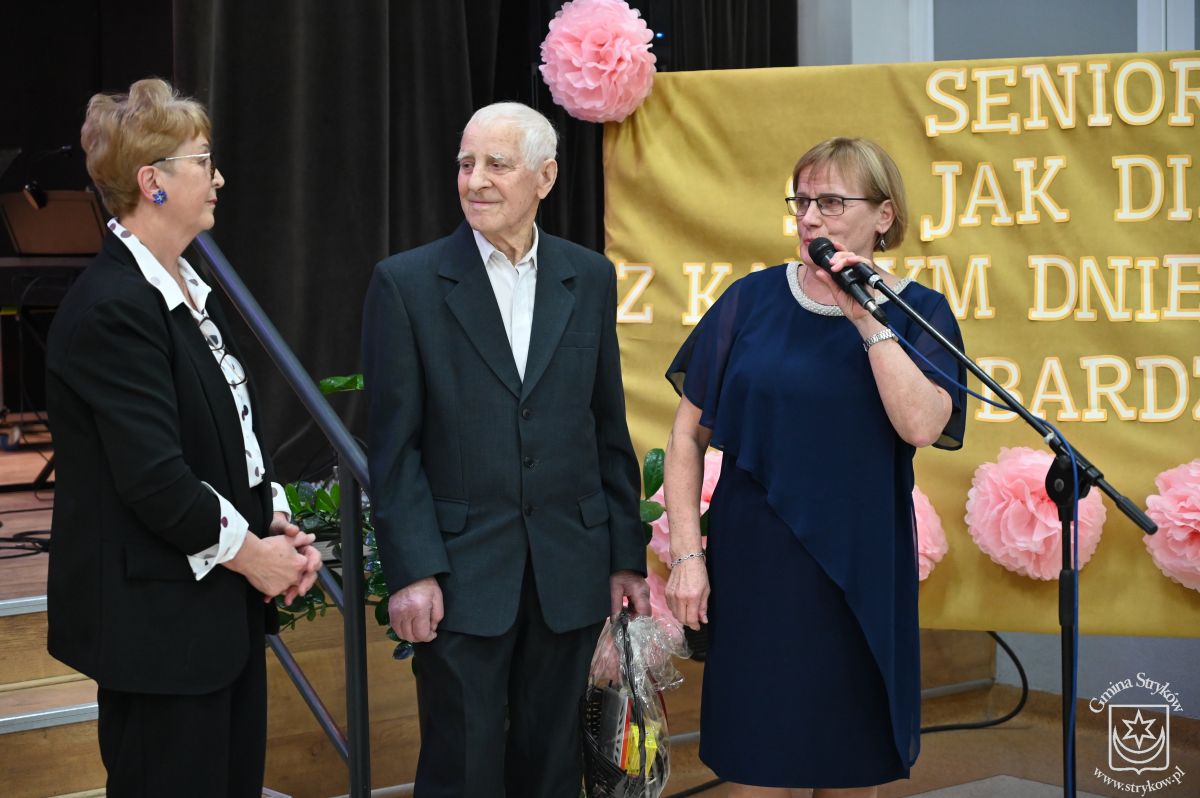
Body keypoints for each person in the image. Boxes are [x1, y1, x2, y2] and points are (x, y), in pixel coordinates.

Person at [663, 137, 967, 797]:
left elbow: (922, 425)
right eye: (801, 201)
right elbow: (687, 434)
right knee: (758, 765)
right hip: (757, 570)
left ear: (884, 215)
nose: (809, 218)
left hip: (861, 574)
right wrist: (687, 555)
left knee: (850, 763)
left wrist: (866, 318)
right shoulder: (750, 301)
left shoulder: (920, 312)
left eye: (830, 202)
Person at [362, 101, 650, 797]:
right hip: (460, 575)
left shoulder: (589, 277)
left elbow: (606, 427)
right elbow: (394, 449)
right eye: (466, 164)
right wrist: (413, 571)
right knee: (461, 769)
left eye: (497, 164)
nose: (475, 180)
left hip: (568, 570)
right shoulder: (406, 284)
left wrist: (624, 557)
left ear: (545, 177)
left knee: (553, 769)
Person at [45, 78, 322, 797]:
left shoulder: (184, 287)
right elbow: (156, 480)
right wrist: (253, 557)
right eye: (204, 160)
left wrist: (269, 518)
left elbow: (229, 435)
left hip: (215, 619)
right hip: (158, 631)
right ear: (153, 182)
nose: (218, 177)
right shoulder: (113, 308)